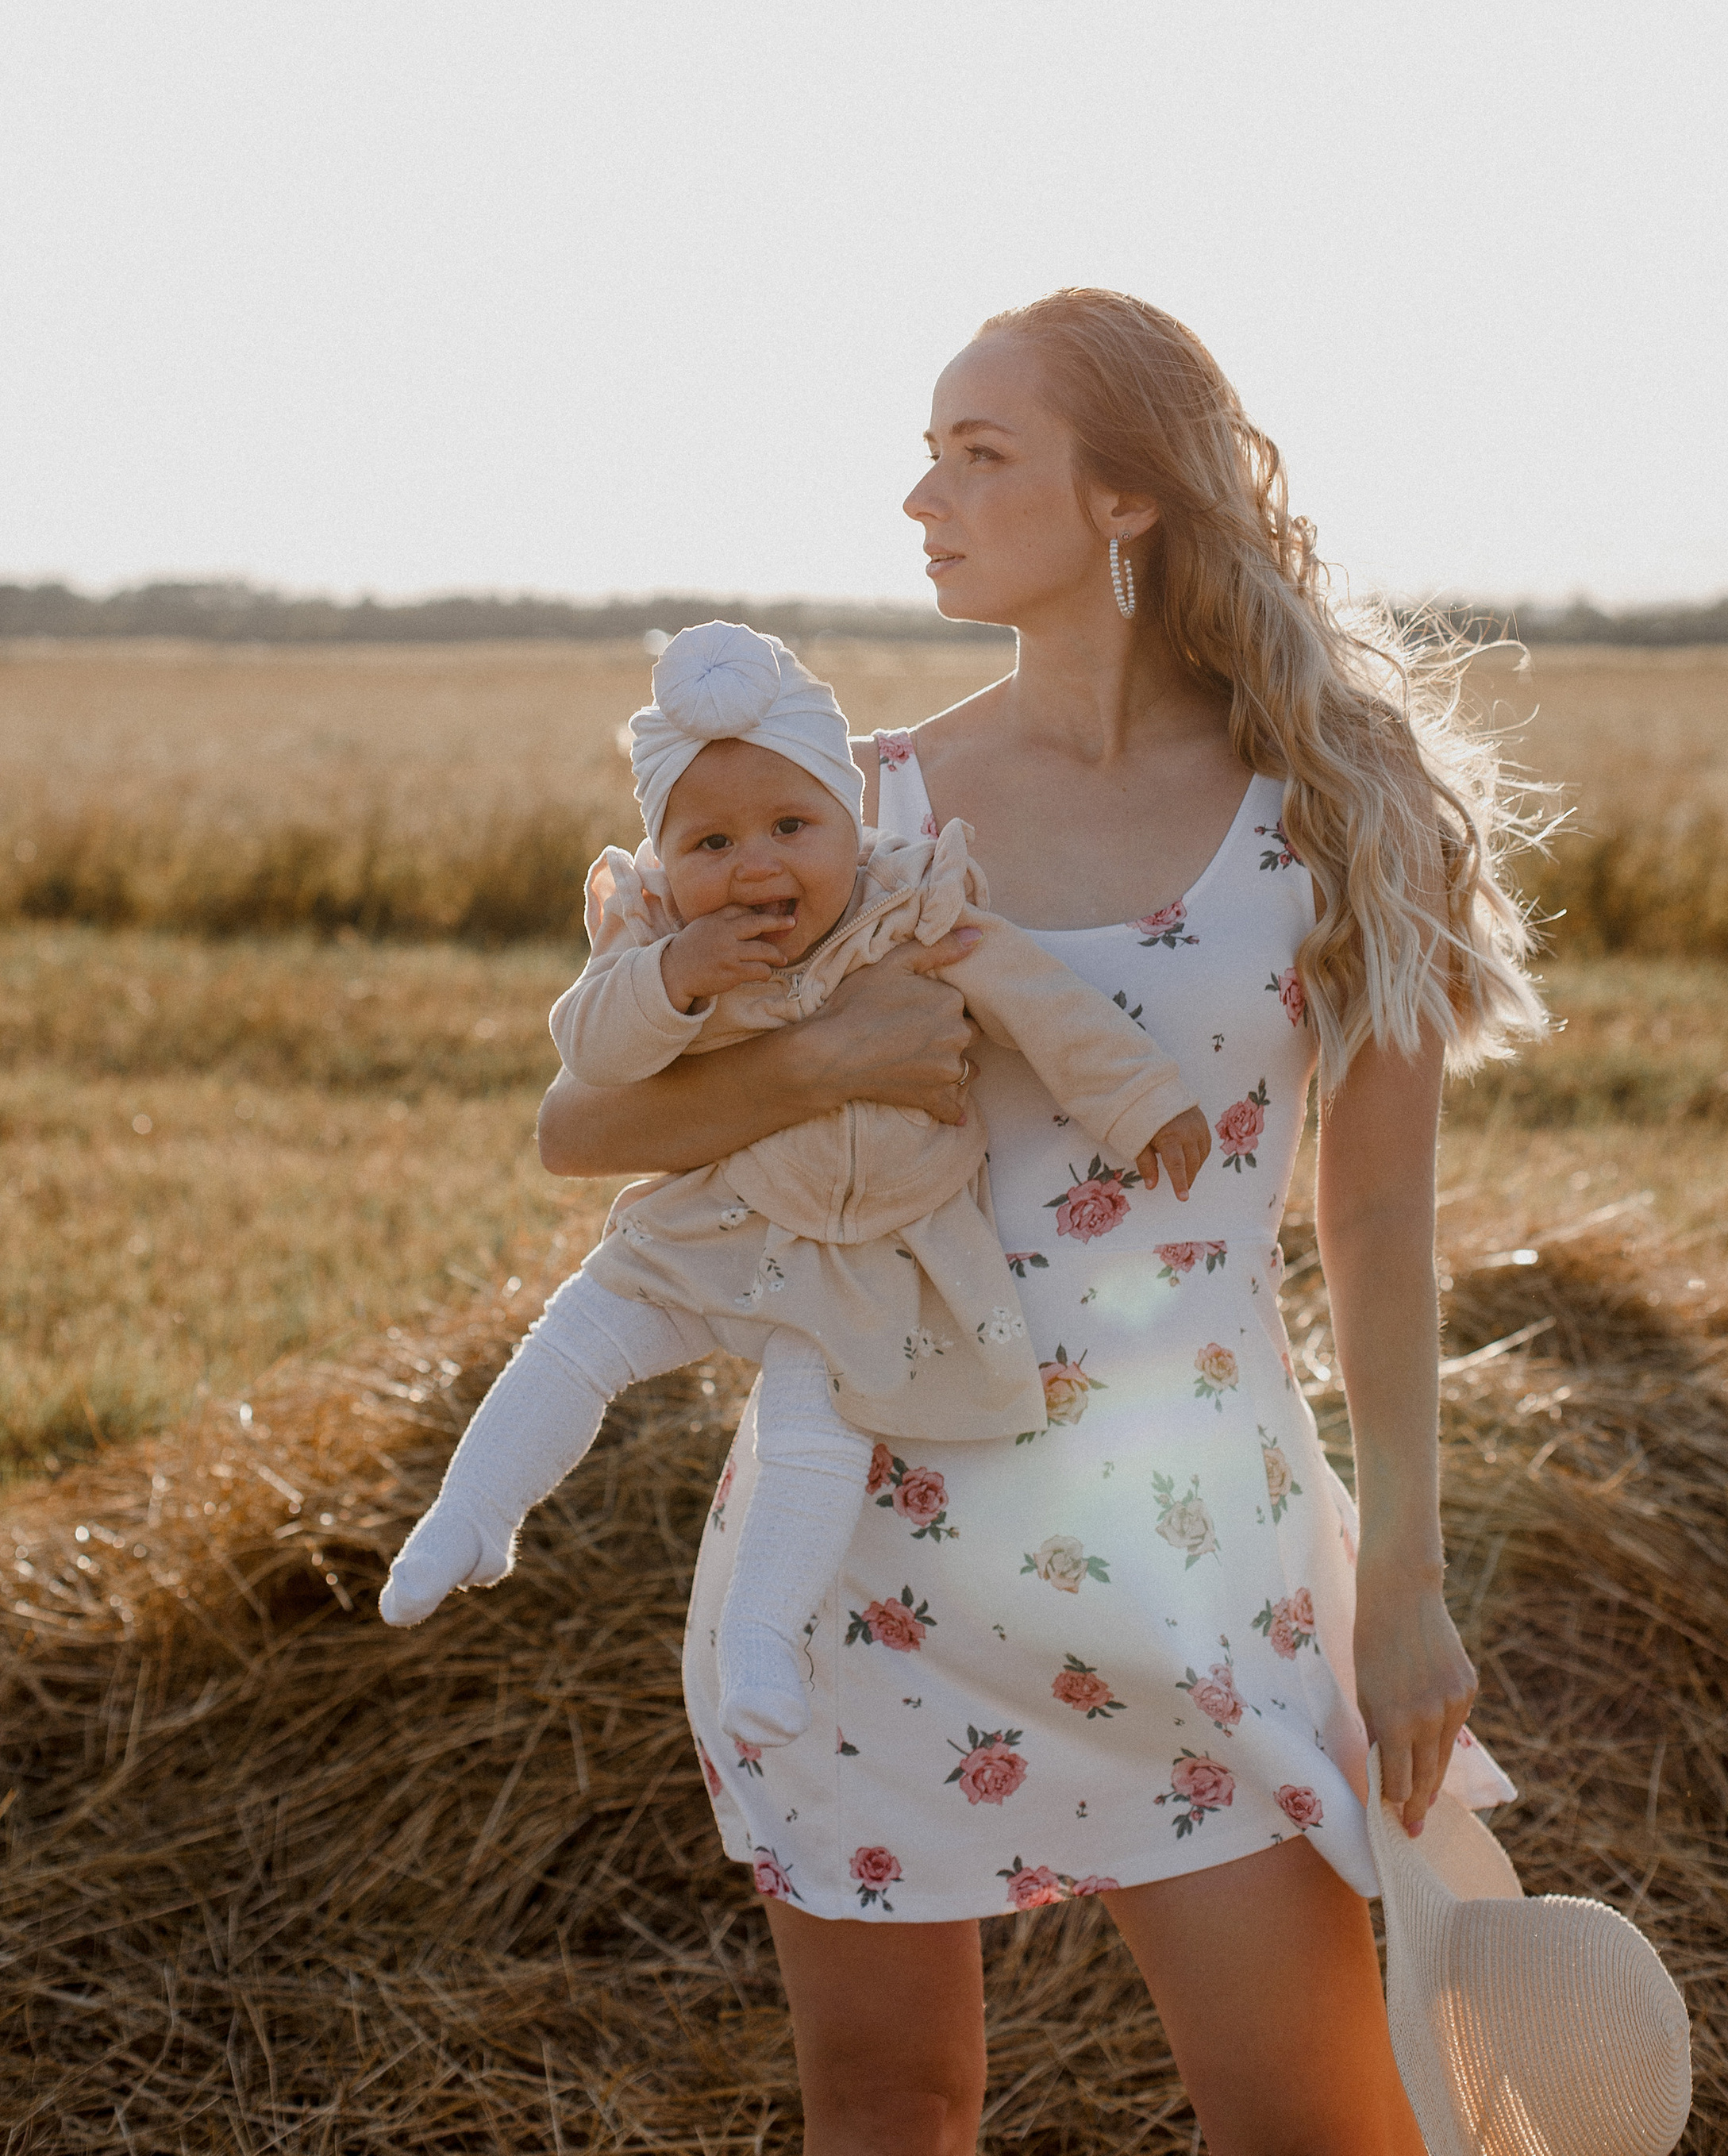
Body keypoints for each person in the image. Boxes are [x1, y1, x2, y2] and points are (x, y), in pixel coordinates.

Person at [537, 288, 1545, 2156]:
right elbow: (580, 1123)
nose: (921, 494)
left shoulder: (1337, 811)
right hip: (865, 1551)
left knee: (1318, 2123)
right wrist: (822, 1052)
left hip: (1193, 1550)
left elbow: (1378, 1213)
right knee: (893, 2106)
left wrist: (1398, 1586)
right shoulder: (857, 811)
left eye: (976, 452)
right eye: (927, 451)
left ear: (1126, 500)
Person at [380, 618, 1210, 1758]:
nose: (757, 864)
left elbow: (1046, 1006)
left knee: (817, 1431)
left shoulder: (915, 912)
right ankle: (471, 1514)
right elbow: (591, 1053)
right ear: (665, 856)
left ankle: (764, 1640)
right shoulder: (662, 936)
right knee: (582, 1335)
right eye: (711, 841)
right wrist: (672, 977)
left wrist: (1142, 1101)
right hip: (716, 1220)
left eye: (790, 826)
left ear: (851, 822)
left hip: (875, 1252)